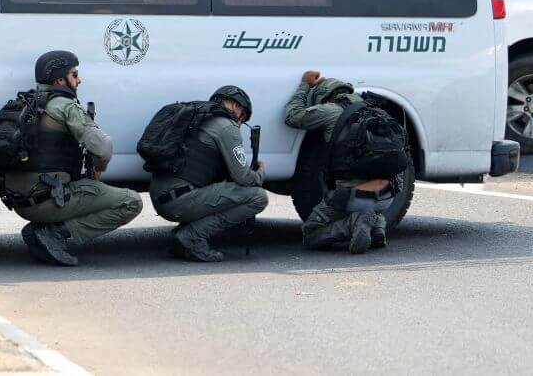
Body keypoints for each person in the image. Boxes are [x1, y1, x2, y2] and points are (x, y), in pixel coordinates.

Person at [4, 50, 142, 266]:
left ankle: (43, 229)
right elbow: (103, 147)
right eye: (74, 75)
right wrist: (98, 169)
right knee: (131, 202)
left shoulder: (26, 102)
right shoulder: (65, 105)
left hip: (20, 199)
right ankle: (55, 234)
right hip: (47, 199)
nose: (79, 80)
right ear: (60, 79)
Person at [148, 86, 269, 262]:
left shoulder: (197, 118)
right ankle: (191, 237)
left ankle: (183, 234)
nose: (240, 124)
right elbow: (243, 178)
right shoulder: (226, 126)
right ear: (236, 106)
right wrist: (259, 174)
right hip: (178, 201)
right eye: (243, 118)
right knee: (258, 197)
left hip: (163, 196)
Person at [284, 70, 390, 254]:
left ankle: (354, 222)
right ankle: (377, 225)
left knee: (310, 233)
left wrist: (304, 85)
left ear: (325, 97)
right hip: (387, 194)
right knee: (371, 185)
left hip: (351, 194)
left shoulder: (330, 110)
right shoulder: (376, 111)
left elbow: (292, 116)